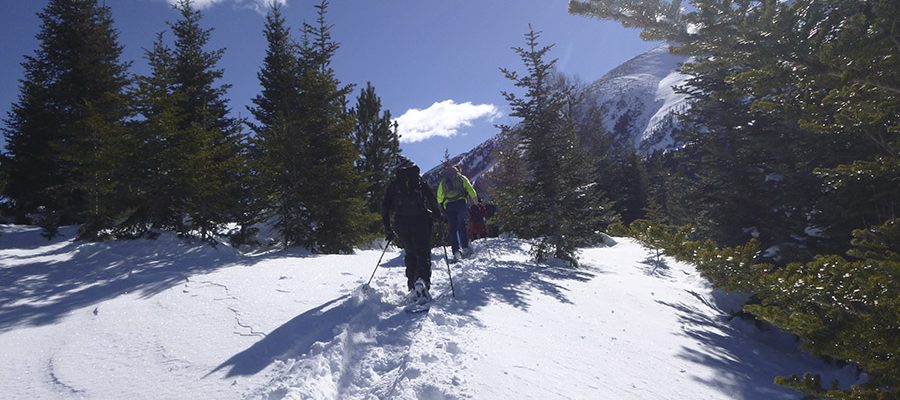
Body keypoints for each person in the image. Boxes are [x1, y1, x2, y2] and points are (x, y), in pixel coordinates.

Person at [382, 156, 442, 304]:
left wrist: (388, 228)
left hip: (402, 223)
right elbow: (432, 200)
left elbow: (385, 208)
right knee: (423, 253)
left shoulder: (394, 185)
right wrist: (437, 215)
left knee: (410, 254)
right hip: (421, 221)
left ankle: (412, 285)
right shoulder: (420, 181)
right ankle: (423, 282)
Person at [436, 164, 477, 261]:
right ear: (458, 171)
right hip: (461, 203)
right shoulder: (461, 178)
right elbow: (471, 190)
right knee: (461, 225)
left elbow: (439, 197)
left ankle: (456, 252)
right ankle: (465, 248)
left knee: (452, 229)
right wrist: (476, 202)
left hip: (449, 206)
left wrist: (441, 206)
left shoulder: (443, 181)